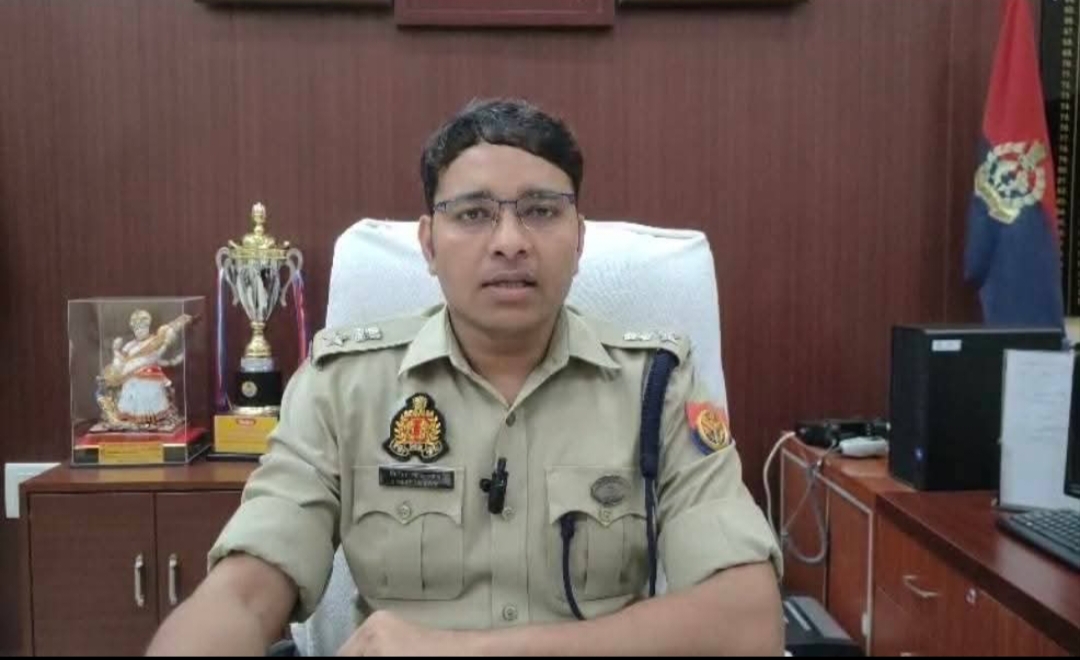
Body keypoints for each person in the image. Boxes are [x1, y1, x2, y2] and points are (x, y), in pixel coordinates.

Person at [146, 98, 783, 656]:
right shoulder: (344, 388)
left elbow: (748, 619)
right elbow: (244, 592)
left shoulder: (658, 387)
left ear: (579, 239)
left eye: (541, 210)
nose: (510, 241)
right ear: (429, 244)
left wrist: (469, 651)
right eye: (474, 214)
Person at [95, 309, 192, 431]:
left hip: (150, 376)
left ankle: (151, 419)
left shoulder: (154, 341)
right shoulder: (129, 346)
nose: (139, 331)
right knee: (131, 398)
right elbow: (121, 361)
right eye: (136, 329)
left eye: (142, 327)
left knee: (149, 396)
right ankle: (132, 419)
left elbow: (157, 355)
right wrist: (115, 350)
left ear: (148, 327)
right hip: (130, 379)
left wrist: (169, 341)